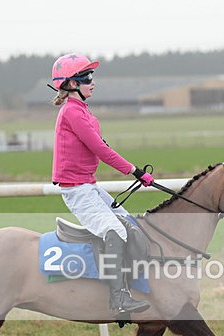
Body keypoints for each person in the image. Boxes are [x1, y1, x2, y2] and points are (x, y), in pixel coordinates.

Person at [49, 53, 153, 315]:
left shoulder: (81, 110)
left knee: (131, 225)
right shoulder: (72, 112)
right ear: (71, 84)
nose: (92, 82)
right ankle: (118, 299)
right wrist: (135, 171)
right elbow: (101, 150)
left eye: (92, 76)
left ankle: (130, 284)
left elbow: (100, 146)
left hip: (90, 186)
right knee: (115, 232)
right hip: (77, 190)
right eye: (86, 78)